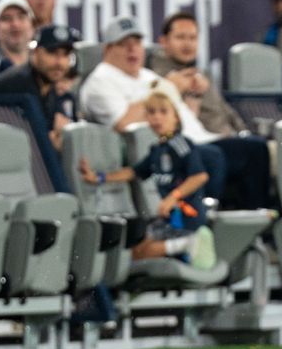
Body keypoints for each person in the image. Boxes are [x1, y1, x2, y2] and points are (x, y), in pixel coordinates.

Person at [79, 16, 270, 210]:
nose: (132, 49)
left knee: (256, 149)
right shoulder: (100, 81)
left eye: (136, 42)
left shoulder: (148, 76)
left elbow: (182, 117)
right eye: (123, 44)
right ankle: (205, 222)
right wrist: (166, 86)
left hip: (198, 139)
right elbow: (122, 123)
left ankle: (254, 223)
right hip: (167, 150)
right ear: (108, 49)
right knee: (213, 156)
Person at [79, 82, 217, 269]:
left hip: (187, 219)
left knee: (141, 254)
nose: (156, 118)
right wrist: (100, 178)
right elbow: (133, 172)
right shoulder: (157, 150)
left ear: (176, 117)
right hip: (167, 220)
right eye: (151, 112)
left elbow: (199, 177)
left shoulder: (180, 144)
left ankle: (189, 243)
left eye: (163, 112)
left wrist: (172, 198)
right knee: (136, 253)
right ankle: (183, 246)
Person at [148, 11, 249, 138]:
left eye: (193, 38)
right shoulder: (156, 76)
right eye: (180, 37)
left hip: (231, 137)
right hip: (205, 142)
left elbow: (224, 109)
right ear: (164, 41)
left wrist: (244, 132)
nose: (188, 44)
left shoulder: (201, 73)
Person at [0, 24, 78, 150]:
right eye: (52, 53)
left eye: (65, 55)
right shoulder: (20, 82)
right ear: (36, 52)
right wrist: (50, 142)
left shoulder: (49, 88)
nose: (59, 62)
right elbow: (20, 143)